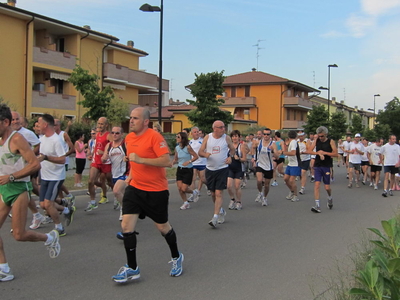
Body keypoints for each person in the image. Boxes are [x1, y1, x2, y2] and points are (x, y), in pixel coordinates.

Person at [112, 107, 183, 283]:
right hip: (135, 188)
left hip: (156, 191)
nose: (131, 121)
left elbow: (167, 161)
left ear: (145, 122)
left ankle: (176, 257)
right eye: (130, 117)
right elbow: (133, 163)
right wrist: (130, 177)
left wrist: (141, 159)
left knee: (163, 228)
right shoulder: (128, 138)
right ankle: (132, 268)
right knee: (127, 227)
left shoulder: (155, 137)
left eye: (135, 118)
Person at [0, 104, 60, 282]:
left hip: (19, 189)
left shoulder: (17, 139)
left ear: (5, 122)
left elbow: (35, 164)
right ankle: (4, 268)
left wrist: (11, 177)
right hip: (4, 189)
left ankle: (49, 237)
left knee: (19, 235)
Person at [38, 114, 75, 236]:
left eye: (39, 123)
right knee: (43, 204)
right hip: (45, 175)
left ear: (45, 125)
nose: (37, 125)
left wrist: (46, 158)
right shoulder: (42, 139)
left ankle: (59, 228)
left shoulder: (57, 140)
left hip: (56, 176)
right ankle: (66, 209)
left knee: (48, 204)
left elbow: (62, 160)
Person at [10, 111, 45, 230]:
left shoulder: (27, 133)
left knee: (23, 191)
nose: (15, 122)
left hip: (25, 168)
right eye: (13, 119)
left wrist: (30, 156)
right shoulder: (7, 133)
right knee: (25, 191)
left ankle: (38, 211)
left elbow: (38, 145)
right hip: (11, 169)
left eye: (17, 119)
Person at [199, 121, 235, 228]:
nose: (223, 129)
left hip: (222, 169)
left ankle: (215, 217)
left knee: (219, 193)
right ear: (215, 128)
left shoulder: (226, 138)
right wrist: (205, 154)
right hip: (210, 169)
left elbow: (232, 149)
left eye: (224, 127)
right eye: (221, 127)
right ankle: (220, 210)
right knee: (213, 194)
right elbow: (200, 152)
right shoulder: (208, 137)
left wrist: (230, 157)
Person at [306, 126, 338, 213]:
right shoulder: (316, 141)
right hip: (318, 165)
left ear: (326, 135)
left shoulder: (331, 141)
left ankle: (330, 197)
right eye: (319, 136)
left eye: (322, 136)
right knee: (317, 184)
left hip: (326, 165)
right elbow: (309, 150)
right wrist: (318, 153)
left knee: (327, 187)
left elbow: (336, 154)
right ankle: (317, 205)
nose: (320, 138)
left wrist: (325, 153)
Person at [102, 126, 129, 221]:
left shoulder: (125, 144)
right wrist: (104, 158)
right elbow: (103, 158)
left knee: (116, 191)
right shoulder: (108, 146)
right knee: (122, 194)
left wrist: (127, 158)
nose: (114, 135)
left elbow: (132, 155)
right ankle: (126, 207)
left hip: (125, 173)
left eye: (117, 133)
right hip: (114, 173)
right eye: (112, 133)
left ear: (122, 134)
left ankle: (124, 209)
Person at [86, 117, 113, 211]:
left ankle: (118, 197)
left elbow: (115, 147)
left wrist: (105, 153)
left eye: (102, 124)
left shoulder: (108, 135)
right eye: (99, 123)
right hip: (96, 161)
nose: (100, 126)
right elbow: (96, 147)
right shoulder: (97, 135)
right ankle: (93, 202)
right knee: (90, 181)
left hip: (106, 162)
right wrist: (91, 155)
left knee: (110, 181)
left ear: (106, 125)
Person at [171, 132, 198, 210]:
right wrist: (172, 162)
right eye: (176, 136)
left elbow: (196, 156)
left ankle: (194, 192)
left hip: (188, 169)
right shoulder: (177, 148)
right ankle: (186, 203)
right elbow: (176, 158)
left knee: (184, 189)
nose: (176, 138)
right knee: (179, 188)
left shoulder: (188, 147)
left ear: (182, 138)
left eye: (178, 137)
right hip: (180, 169)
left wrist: (189, 161)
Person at [253, 128, 280, 207]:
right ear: (262, 135)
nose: (266, 136)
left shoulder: (273, 144)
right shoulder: (258, 142)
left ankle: (265, 197)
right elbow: (253, 151)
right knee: (259, 180)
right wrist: (253, 159)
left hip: (269, 166)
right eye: (264, 134)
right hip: (260, 164)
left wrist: (273, 151)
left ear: (270, 135)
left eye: (267, 134)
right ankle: (260, 193)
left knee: (267, 185)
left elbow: (277, 157)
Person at [227, 130, 248, 210]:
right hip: (230, 168)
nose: (234, 138)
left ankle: (239, 201)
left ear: (239, 137)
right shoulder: (228, 146)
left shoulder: (241, 146)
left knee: (237, 186)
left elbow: (245, 159)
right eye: (233, 136)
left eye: (236, 136)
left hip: (239, 168)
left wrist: (239, 158)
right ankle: (232, 199)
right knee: (229, 186)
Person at [188, 127, 207, 202]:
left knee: (203, 178)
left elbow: (206, 150)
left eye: (197, 132)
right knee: (193, 178)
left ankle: (209, 186)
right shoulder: (190, 142)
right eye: (195, 132)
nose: (196, 133)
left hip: (202, 162)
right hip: (193, 162)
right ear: (192, 134)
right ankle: (193, 193)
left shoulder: (202, 141)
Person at [282, 130, 301, 202]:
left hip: (295, 164)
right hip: (290, 163)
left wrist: (284, 152)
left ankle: (296, 195)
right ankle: (292, 191)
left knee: (292, 180)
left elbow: (293, 153)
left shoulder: (293, 142)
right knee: (286, 179)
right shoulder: (291, 142)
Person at [297, 130, 311, 195]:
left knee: (303, 172)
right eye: (299, 136)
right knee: (300, 174)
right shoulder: (297, 141)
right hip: (299, 159)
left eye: (301, 136)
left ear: (304, 135)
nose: (300, 137)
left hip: (306, 159)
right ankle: (302, 184)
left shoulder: (307, 141)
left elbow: (309, 150)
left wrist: (302, 152)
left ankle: (302, 188)